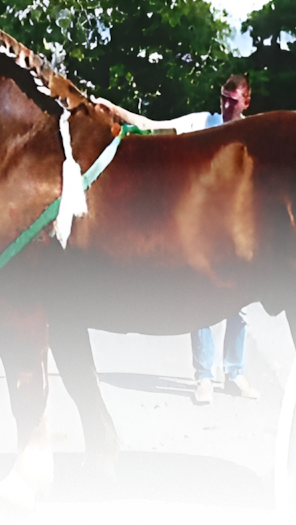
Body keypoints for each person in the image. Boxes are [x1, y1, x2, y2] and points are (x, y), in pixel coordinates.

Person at [97, 75, 258, 405]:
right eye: (223, 98)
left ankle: (235, 372)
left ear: (246, 103)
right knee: (202, 299)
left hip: (238, 227)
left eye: (233, 101)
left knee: (239, 307)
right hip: (204, 226)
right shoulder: (203, 123)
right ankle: (204, 377)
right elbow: (154, 128)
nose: (226, 106)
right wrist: (115, 109)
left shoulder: (254, 134)